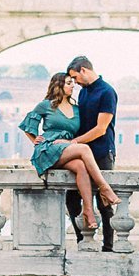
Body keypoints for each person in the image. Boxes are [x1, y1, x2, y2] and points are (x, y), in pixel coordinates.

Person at [19, 70, 118, 241]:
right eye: (68, 83)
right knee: (84, 149)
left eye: (73, 82)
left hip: (65, 149)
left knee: (80, 167)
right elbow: (28, 123)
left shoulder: (76, 108)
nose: (73, 86)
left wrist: (68, 143)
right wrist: (36, 139)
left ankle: (88, 210)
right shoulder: (46, 105)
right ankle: (105, 188)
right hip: (48, 149)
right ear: (58, 85)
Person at [64, 55, 118, 250]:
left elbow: (100, 129)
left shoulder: (107, 92)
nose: (75, 82)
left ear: (83, 71)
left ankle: (108, 246)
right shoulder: (84, 93)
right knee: (72, 199)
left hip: (102, 152)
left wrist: (75, 142)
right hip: (80, 154)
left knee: (104, 203)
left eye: (75, 77)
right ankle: (82, 240)